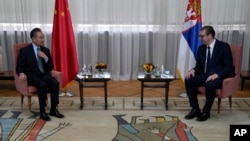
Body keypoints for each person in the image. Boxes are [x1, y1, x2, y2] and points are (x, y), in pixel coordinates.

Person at [184, 25, 235, 121]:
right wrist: (193, 70)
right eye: (200, 36)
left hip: (219, 76)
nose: (200, 38)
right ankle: (195, 109)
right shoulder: (201, 48)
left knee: (210, 85)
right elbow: (199, 66)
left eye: (202, 36)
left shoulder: (223, 47)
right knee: (189, 79)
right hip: (205, 74)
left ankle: (206, 112)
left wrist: (217, 75)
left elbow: (228, 67)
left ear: (210, 36)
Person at [16, 28, 64, 121]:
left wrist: (45, 58)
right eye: (40, 38)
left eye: (43, 37)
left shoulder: (45, 50)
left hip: (44, 75)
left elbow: (50, 67)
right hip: (32, 76)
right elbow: (19, 66)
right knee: (42, 85)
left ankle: (53, 109)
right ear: (34, 39)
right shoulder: (25, 51)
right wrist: (21, 73)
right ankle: (42, 111)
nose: (43, 40)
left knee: (55, 83)